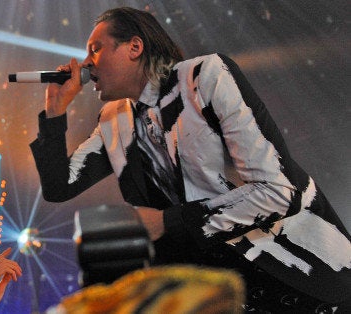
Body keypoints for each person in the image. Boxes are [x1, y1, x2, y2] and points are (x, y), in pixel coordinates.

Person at [29, 6, 351, 312]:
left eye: (95, 49)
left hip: (309, 276)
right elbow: (59, 186)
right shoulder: (114, 120)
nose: (86, 64)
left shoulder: (204, 76)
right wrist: (54, 110)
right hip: (228, 293)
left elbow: (279, 191)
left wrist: (166, 222)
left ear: (135, 47)